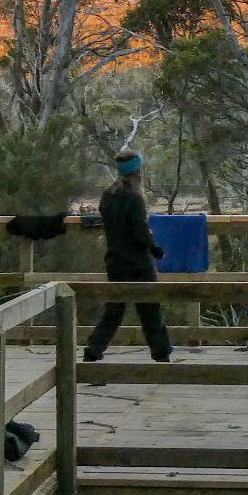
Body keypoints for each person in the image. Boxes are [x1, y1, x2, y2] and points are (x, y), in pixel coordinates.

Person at [83, 150, 173, 362]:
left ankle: (93, 351)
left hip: (115, 262)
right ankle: (161, 356)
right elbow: (140, 230)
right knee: (150, 310)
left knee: (113, 311)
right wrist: (156, 249)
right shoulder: (134, 198)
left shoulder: (108, 196)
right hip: (139, 264)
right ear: (137, 171)